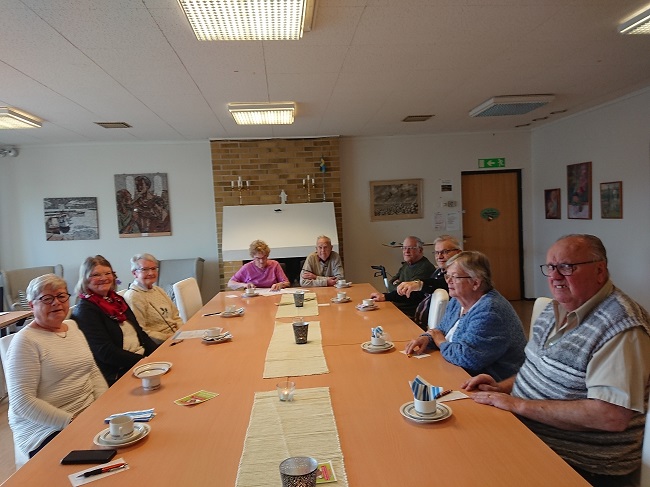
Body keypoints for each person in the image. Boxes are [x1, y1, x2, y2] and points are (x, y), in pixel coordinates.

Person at [463, 235, 650, 486]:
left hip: (581, 463)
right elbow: (540, 372)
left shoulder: (622, 328)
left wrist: (518, 405)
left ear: (599, 270)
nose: (555, 276)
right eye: (551, 267)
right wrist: (501, 388)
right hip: (527, 434)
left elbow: (610, 416)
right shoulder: (555, 309)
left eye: (567, 267)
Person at [6, 274, 108, 461]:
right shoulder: (26, 341)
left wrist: (101, 407)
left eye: (61, 296)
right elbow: (22, 402)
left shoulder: (72, 327)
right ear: (31, 305)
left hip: (86, 414)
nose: (56, 303)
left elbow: (92, 371)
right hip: (45, 429)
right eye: (47, 298)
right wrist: (72, 421)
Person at [404, 251, 527, 381]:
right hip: (457, 370)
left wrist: (440, 342)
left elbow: (467, 358)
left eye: (455, 277)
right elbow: (441, 330)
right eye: (447, 275)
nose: (448, 281)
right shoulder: (457, 300)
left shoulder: (490, 311)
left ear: (476, 283)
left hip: (491, 382)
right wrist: (427, 338)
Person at [72, 255, 158, 386]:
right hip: (119, 372)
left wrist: (158, 354)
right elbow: (106, 352)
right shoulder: (86, 310)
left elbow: (140, 333)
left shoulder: (117, 300)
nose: (104, 278)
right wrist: (144, 361)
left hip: (139, 361)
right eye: (96, 275)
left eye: (108, 273)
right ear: (85, 279)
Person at [396, 235, 462, 330]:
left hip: (428, 329)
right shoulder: (439, 271)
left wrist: (419, 284)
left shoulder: (459, 276)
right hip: (419, 322)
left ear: (458, 253)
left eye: (445, 252)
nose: (439, 256)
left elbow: (440, 284)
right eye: (437, 253)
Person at [123, 253, 183, 344]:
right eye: (145, 269)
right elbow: (141, 331)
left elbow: (175, 316)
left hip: (177, 336)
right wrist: (169, 338)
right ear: (134, 273)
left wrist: (182, 331)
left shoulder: (158, 290)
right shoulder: (133, 297)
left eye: (153, 268)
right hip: (159, 343)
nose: (151, 273)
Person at [370, 236, 436, 319]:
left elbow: (409, 294)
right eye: (404, 248)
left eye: (410, 248)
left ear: (420, 250)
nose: (406, 251)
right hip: (396, 305)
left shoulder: (425, 268)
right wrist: (399, 288)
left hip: (409, 313)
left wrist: (388, 294)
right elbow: (391, 284)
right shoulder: (407, 264)